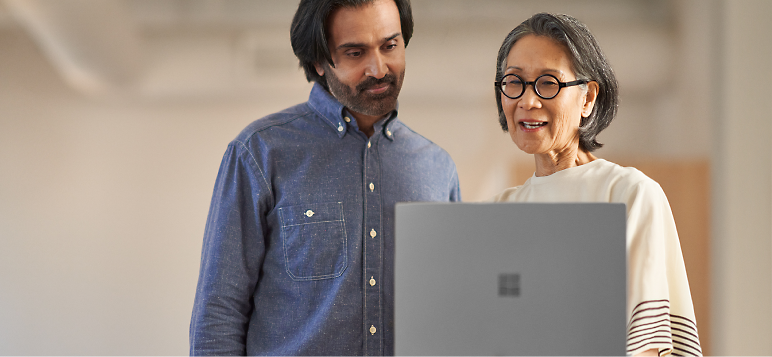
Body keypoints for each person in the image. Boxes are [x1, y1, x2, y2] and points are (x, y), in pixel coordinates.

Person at [189, 0, 461, 356]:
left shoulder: (438, 167)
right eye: (355, 52)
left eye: (390, 45)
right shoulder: (260, 152)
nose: (379, 68)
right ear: (318, 61)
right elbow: (218, 314)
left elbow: (454, 310)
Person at [491, 13, 702, 357]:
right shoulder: (496, 212)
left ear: (587, 98)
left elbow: (648, 347)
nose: (527, 101)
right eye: (514, 82)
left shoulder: (628, 195)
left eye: (548, 83)